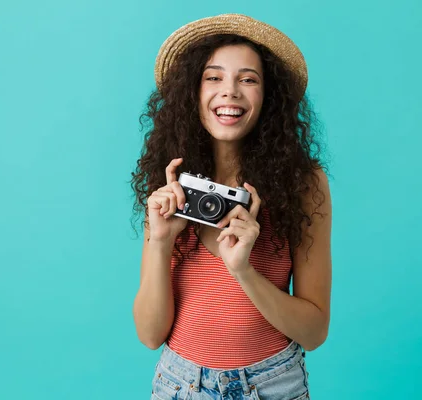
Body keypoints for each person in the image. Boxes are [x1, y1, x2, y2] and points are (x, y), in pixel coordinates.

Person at [131, 13, 332, 400]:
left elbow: (314, 332)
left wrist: (243, 270)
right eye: (213, 77)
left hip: (273, 385)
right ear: (192, 91)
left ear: (268, 96)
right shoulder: (173, 186)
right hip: (180, 384)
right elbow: (150, 334)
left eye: (248, 79)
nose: (230, 92)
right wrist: (159, 242)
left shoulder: (302, 183)